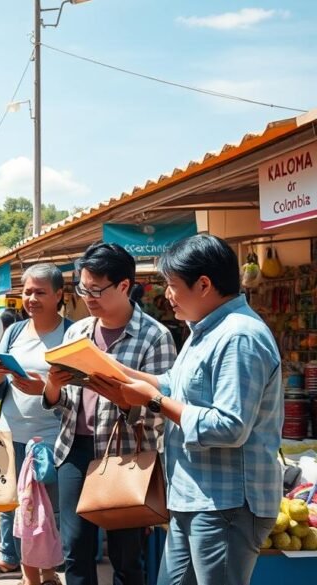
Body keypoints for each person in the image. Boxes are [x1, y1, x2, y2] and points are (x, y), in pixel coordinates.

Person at [101, 235, 281, 585]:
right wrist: (113, 370)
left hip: (226, 504)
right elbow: (173, 384)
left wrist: (151, 400)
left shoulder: (239, 336)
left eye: (171, 285)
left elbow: (229, 426)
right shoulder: (205, 331)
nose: (167, 295)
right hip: (191, 495)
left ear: (204, 285)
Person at [19, 242, 176, 585]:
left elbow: (162, 411)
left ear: (123, 285)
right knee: (76, 550)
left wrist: (125, 402)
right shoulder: (78, 332)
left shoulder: (154, 336)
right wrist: (54, 388)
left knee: (126, 555)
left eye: (96, 289)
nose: (88, 297)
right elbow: (67, 404)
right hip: (74, 450)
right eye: (82, 288)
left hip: (127, 457)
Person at [0, 264, 68, 584]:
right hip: (12, 434)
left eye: (40, 292)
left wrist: (44, 389)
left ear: (59, 295)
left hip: (54, 437)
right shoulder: (13, 331)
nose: (31, 298)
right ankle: (28, 574)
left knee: (50, 510)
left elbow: (82, 389)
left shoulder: (73, 334)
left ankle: (50, 572)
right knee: (15, 507)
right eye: (27, 292)